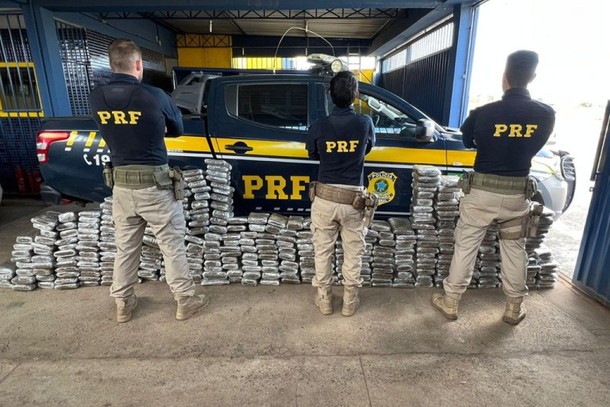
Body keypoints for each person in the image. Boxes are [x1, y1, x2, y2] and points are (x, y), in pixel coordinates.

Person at [431, 50, 555, 325]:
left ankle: (450, 302)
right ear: (533, 76)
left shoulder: (483, 113)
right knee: (514, 249)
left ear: (504, 77)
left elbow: (467, 141)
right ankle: (513, 308)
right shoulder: (546, 115)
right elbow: (535, 143)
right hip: (517, 196)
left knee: (466, 246)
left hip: (482, 194)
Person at [89, 38, 208, 323]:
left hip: (121, 187)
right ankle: (185, 300)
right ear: (139, 64)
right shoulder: (154, 95)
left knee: (126, 247)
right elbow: (177, 129)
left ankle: (123, 303)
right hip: (155, 186)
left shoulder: (96, 97)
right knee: (171, 245)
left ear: (111, 64)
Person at [306, 70, 376, 317]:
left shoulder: (318, 126)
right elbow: (368, 148)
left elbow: (313, 154)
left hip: (324, 198)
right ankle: (349, 302)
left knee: (323, 252)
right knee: (353, 252)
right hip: (353, 201)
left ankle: (325, 300)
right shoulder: (365, 123)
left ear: (330, 95)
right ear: (356, 94)